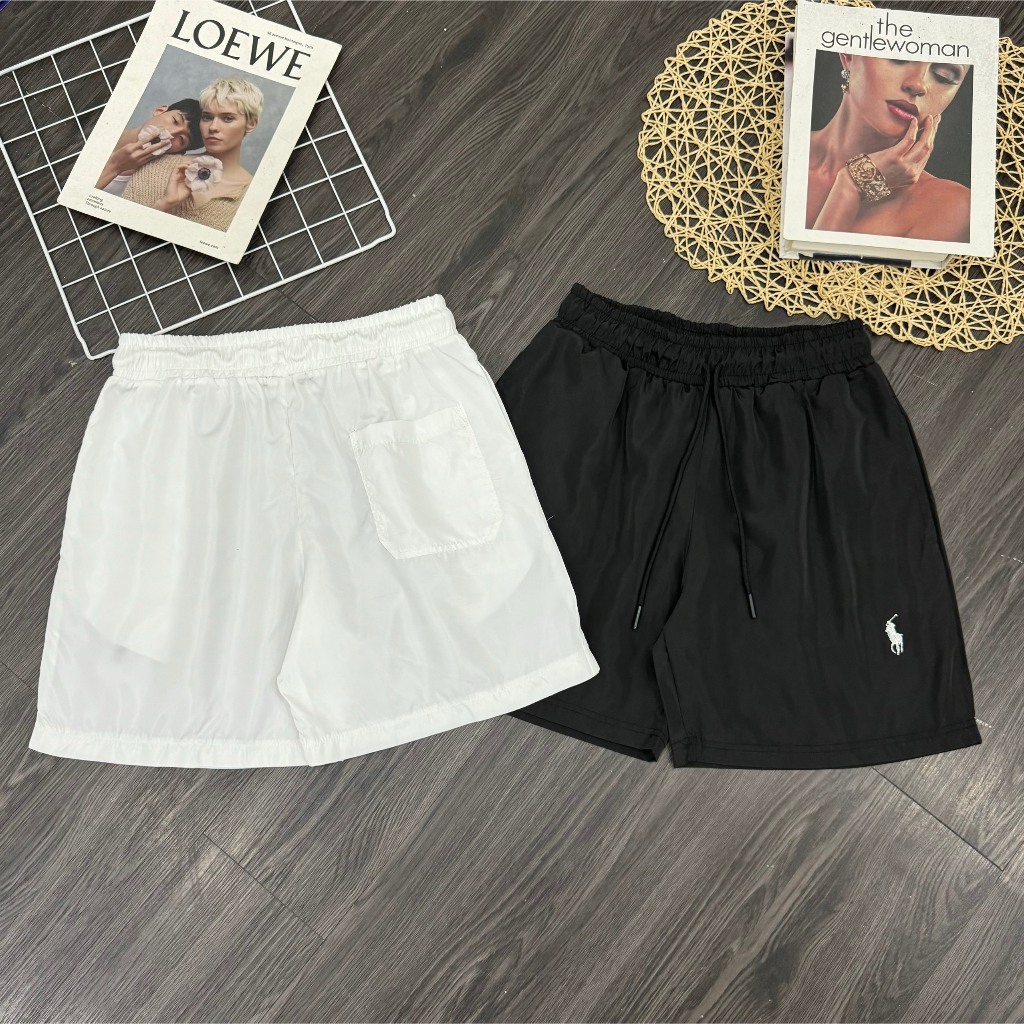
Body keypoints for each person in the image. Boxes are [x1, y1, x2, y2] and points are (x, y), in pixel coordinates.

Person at [805, 56, 972, 243]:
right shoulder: (781, 150)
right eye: (898, 57)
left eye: (944, 76)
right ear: (849, 56)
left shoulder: (950, 208)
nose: (918, 84)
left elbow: (821, 262)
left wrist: (853, 184)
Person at [122, 77, 263, 232]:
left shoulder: (254, 195)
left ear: (251, 123)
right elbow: (123, 232)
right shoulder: (156, 165)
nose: (213, 127)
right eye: (207, 117)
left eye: (228, 118)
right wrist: (164, 205)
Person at [96, 99, 202, 195]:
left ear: (180, 151)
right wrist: (115, 166)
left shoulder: (150, 187)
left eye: (181, 139)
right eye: (175, 121)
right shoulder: (101, 128)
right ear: (160, 110)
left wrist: (116, 167)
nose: (171, 133)